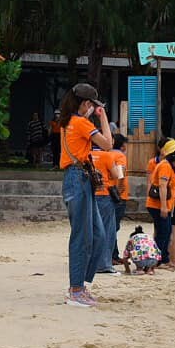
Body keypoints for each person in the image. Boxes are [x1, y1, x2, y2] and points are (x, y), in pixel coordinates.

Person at [59, 82, 115, 307]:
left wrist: (90, 114)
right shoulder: (81, 123)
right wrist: (103, 118)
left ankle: (80, 285)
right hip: (78, 179)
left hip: (77, 179)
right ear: (85, 103)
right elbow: (108, 144)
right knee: (83, 237)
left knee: (98, 236)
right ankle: (76, 289)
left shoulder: (69, 122)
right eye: (91, 104)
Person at [146, 138, 175, 267]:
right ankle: (159, 259)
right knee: (163, 232)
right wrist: (164, 207)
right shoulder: (165, 166)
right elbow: (162, 186)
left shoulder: (170, 166)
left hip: (164, 204)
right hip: (158, 204)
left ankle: (163, 258)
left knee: (165, 231)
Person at [90, 141, 121, 275]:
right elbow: (116, 175)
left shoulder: (87, 154)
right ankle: (104, 264)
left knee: (91, 229)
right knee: (107, 230)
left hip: (89, 195)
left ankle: (90, 263)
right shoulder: (108, 156)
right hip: (104, 195)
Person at [108, 133, 130, 263]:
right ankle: (112, 255)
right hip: (118, 195)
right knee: (114, 226)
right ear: (122, 146)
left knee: (111, 225)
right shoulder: (120, 156)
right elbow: (121, 173)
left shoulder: (108, 154)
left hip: (109, 192)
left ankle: (113, 254)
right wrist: (120, 189)